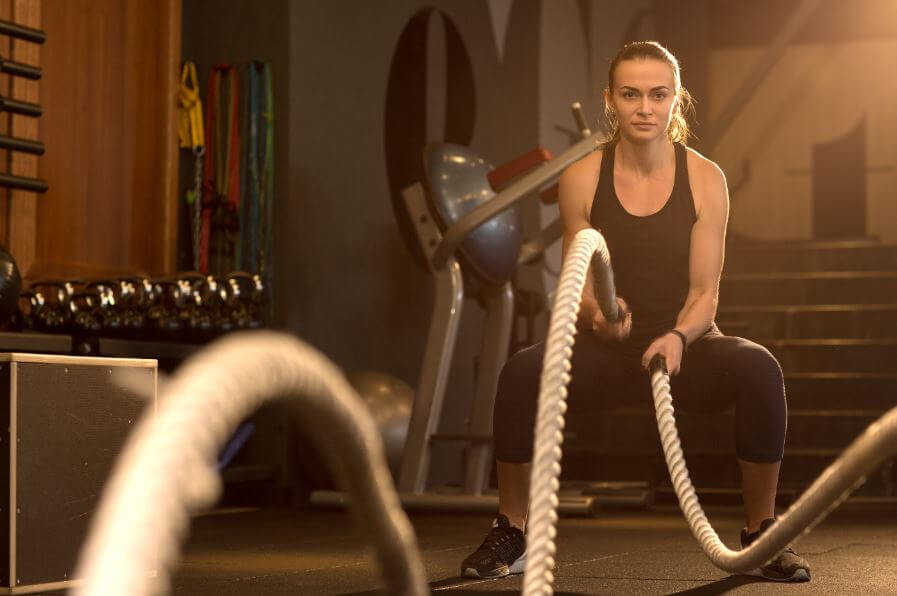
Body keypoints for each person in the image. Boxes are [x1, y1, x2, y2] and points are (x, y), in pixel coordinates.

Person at [460, 40, 811, 583]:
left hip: (684, 347)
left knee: (759, 368)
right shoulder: (582, 177)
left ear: (676, 100)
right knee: (522, 371)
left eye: (657, 94)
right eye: (630, 94)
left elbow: (704, 294)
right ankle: (513, 528)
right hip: (609, 346)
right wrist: (599, 318)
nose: (644, 107)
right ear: (610, 100)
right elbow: (578, 279)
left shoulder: (705, 179)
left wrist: (677, 336)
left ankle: (761, 532)